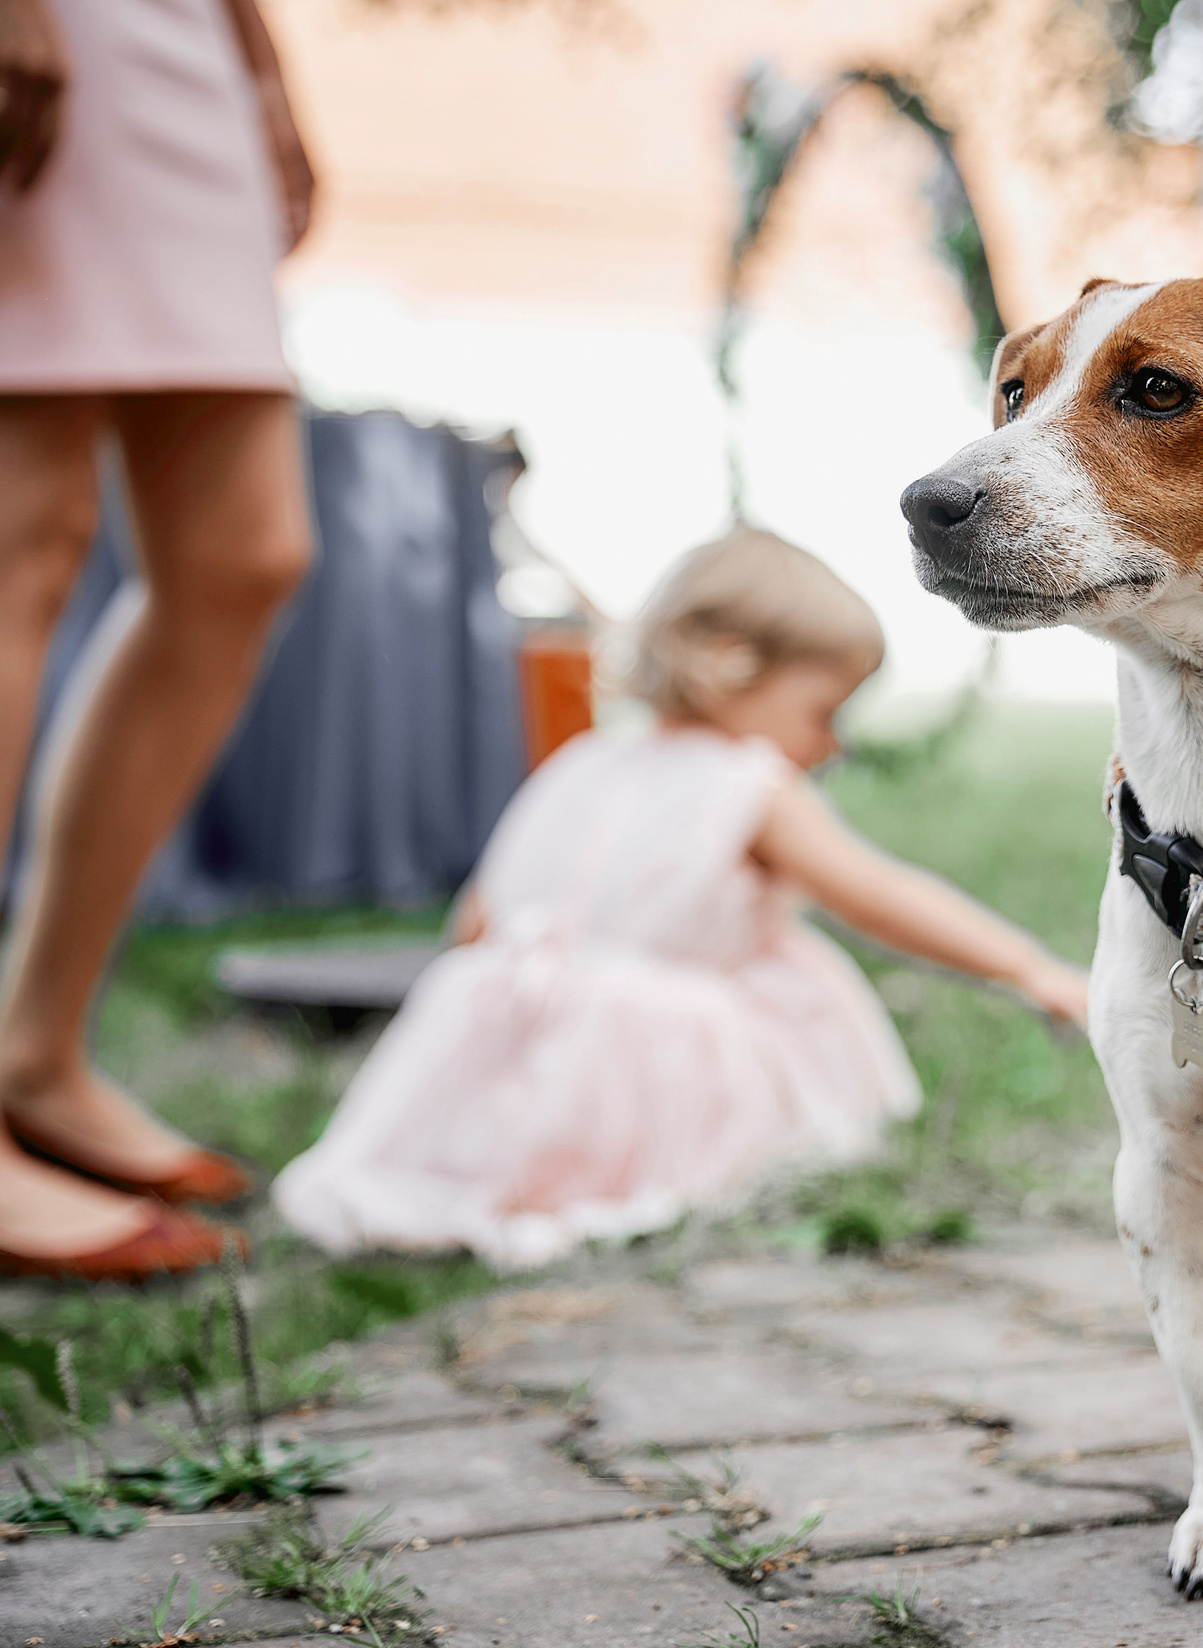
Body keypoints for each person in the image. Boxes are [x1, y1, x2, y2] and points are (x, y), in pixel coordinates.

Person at [274, 528, 1088, 1271]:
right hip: (649, 1066)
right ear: (732, 660)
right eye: (824, 713)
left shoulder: (579, 764)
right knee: (776, 993)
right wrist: (1028, 967)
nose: (832, 744)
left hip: (525, 1040)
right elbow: (877, 899)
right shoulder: (751, 786)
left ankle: (485, 1161)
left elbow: (478, 924)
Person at [0, 0, 319, 1278]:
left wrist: (261, 64)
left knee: (242, 556)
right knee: (23, 529)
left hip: (175, 38)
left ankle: (39, 1049)